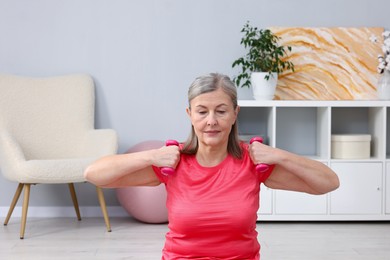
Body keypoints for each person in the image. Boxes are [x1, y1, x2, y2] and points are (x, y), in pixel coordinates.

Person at [84, 73, 340, 259]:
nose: (211, 121)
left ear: (235, 113)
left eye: (221, 111)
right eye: (202, 111)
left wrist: (279, 155)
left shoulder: (252, 162)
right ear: (189, 114)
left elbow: (328, 182)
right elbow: (94, 174)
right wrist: (150, 156)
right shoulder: (172, 162)